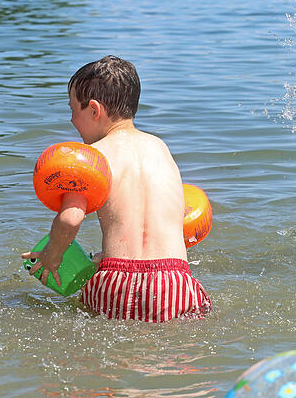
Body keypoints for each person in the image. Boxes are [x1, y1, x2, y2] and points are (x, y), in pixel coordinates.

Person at [21, 56, 210, 321]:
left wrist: (52, 255)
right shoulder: (161, 150)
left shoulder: (93, 158)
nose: (71, 119)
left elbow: (70, 218)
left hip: (116, 282)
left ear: (94, 110)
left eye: (73, 109)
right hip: (176, 281)